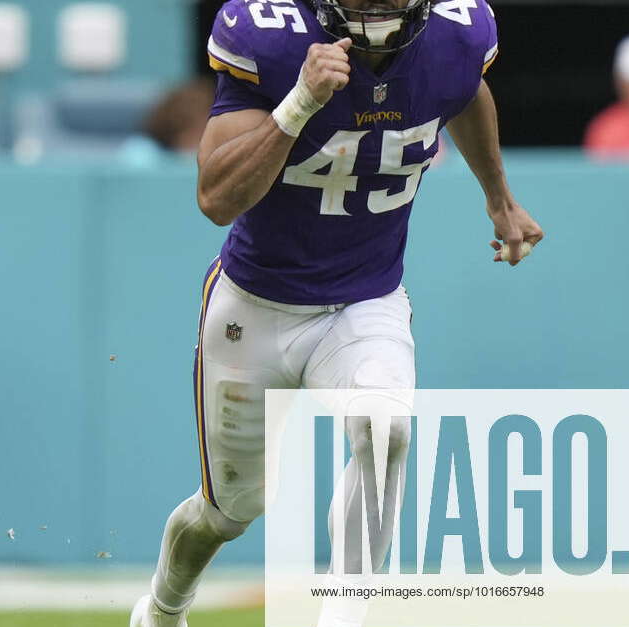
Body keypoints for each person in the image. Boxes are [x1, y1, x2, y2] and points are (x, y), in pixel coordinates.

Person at [130, 0, 544, 624]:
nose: (376, 5)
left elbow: (463, 92)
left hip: (366, 297)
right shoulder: (269, 40)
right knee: (228, 512)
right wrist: (298, 101)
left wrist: (500, 198)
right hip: (256, 306)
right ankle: (162, 609)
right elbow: (216, 198)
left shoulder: (456, 35)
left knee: (387, 429)